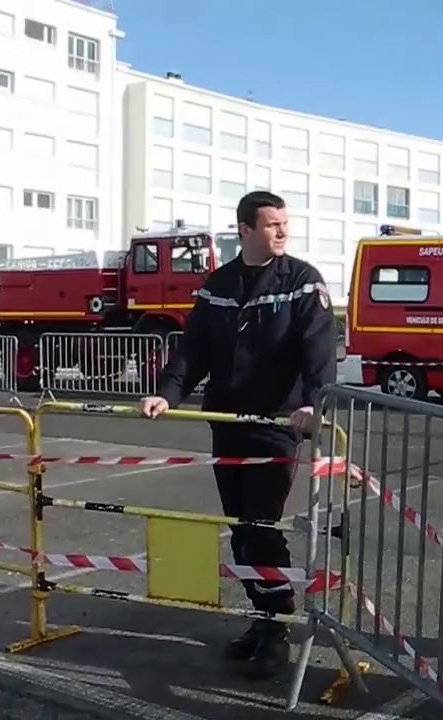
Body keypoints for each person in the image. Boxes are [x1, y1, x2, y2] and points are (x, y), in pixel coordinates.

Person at [139, 190, 338, 679]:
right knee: (240, 530)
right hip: (228, 425)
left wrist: (314, 402)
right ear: (245, 229)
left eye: (285, 224)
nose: (283, 232)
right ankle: (261, 613)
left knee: (259, 527)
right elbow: (193, 352)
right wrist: (168, 392)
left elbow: (319, 350)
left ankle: (276, 627)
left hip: (276, 426)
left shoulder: (302, 282)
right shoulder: (218, 286)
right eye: (272, 224)